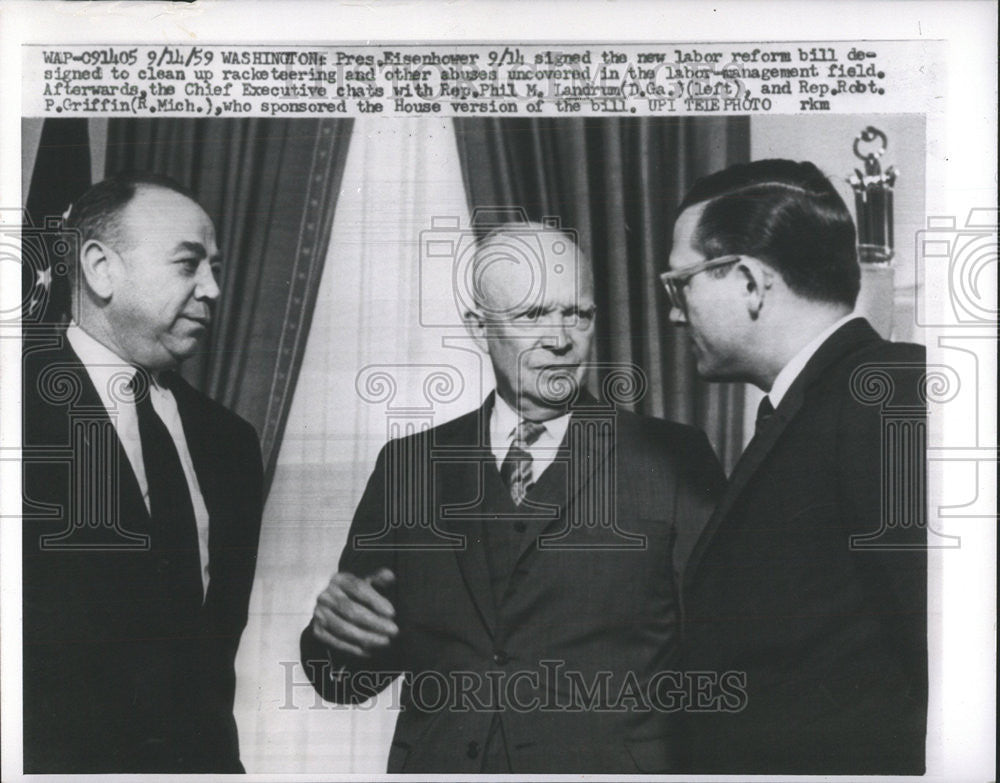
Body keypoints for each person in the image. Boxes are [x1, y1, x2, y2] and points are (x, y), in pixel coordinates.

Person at [300, 223, 725, 773]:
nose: (561, 337)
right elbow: (345, 679)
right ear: (478, 327)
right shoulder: (410, 466)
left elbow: (725, 660)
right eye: (531, 316)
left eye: (580, 313)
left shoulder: (675, 460)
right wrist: (331, 633)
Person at [663, 159, 927, 774]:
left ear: (751, 282)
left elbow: (941, 656)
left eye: (681, 285)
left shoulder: (882, 392)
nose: (675, 314)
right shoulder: (838, 397)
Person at [22, 173, 264, 773]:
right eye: (188, 265)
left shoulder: (231, 443)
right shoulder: (15, 412)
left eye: (216, 267)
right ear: (101, 268)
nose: (213, 289)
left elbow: (213, 657)